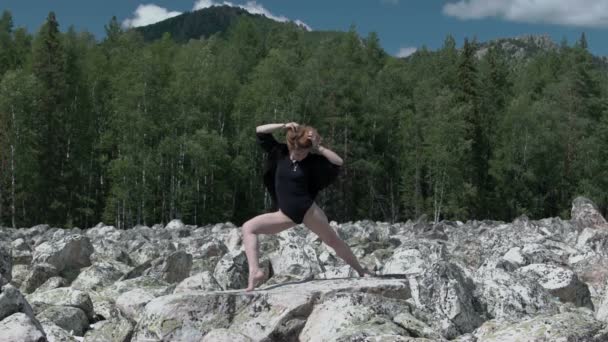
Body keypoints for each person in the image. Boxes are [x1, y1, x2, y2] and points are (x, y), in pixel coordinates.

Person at [241, 121, 374, 292]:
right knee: (248, 228)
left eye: (304, 152)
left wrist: (319, 148)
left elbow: (338, 162)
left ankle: (361, 270)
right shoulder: (279, 152)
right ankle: (255, 272)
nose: (300, 156)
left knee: (332, 240)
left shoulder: (312, 161)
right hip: (285, 214)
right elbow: (259, 130)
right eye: (297, 152)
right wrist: (284, 125)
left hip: (308, 211)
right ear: (291, 146)